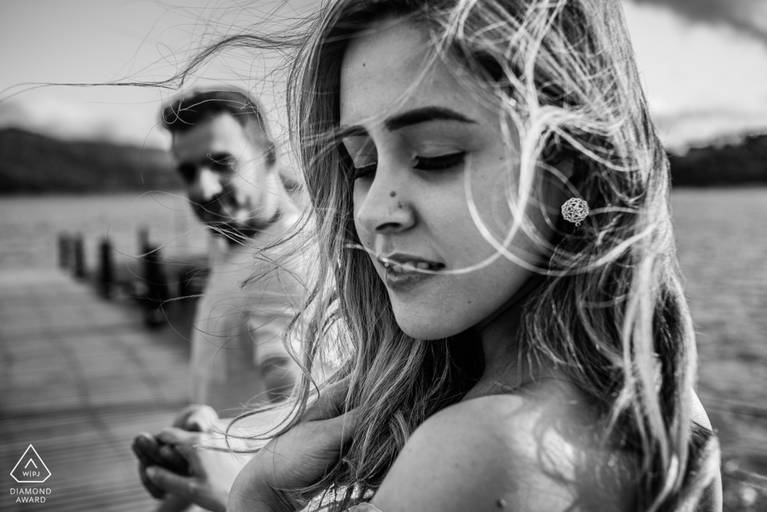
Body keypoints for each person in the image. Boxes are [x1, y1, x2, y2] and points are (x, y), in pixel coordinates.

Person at [198, 1, 724, 510]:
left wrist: (258, 491)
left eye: (435, 157)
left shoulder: (479, 450)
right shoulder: (665, 400)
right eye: (362, 165)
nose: (374, 211)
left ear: (569, 169)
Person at [133, 87, 311, 511]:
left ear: (268, 155)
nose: (204, 186)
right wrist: (201, 441)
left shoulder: (280, 259)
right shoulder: (240, 241)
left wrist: (218, 443)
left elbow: (297, 402)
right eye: (189, 171)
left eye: (221, 163)